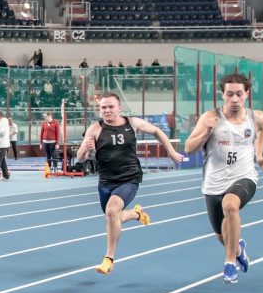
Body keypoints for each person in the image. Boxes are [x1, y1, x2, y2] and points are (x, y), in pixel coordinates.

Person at [77, 93, 184, 275]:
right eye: (103, 107)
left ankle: (108, 259)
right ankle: (136, 214)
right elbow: (80, 159)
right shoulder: (95, 129)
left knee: (112, 212)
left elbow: (157, 131)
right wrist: (85, 149)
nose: (107, 110)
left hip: (129, 178)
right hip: (106, 181)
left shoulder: (132, 123)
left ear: (119, 108)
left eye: (111, 107)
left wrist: (172, 152)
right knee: (114, 218)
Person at [184, 72, 263, 284]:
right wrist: (206, 133)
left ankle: (229, 263)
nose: (234, 99)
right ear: (222, 94)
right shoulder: (209, 118)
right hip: (214, 182)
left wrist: (259, 156)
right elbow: (188, 149)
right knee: (222, 236)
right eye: (230, 94)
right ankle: (237, 248)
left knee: (230, 204)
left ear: (246, 94)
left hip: (244, 176)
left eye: (239, 94)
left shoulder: (256, 117)